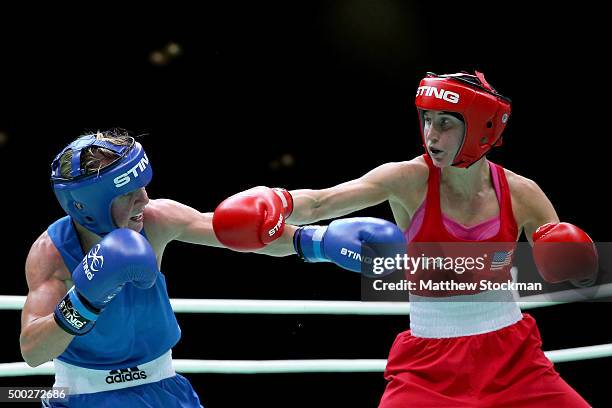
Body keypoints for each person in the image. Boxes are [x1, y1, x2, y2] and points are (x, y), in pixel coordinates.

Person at [215, 71, 598, 406]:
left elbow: (576, 277)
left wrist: (582, 267)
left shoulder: (521, 193)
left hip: (513, 360)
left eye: (445, 123)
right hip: (429, 363)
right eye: (426, 120)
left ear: (481, 127)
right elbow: (321, 203)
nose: (431, 135)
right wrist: (276, 200)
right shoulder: (409, 179)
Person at [20, 129, 404, 407]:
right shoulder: (52, 254)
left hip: (165, 388)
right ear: (85, 206)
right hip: (83, 396)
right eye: (127, 193)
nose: (144, 199)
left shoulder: (155, 219)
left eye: (143, 186)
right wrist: (84, 300)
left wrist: (318, 242)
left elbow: (238, 234)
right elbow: (33, 351)